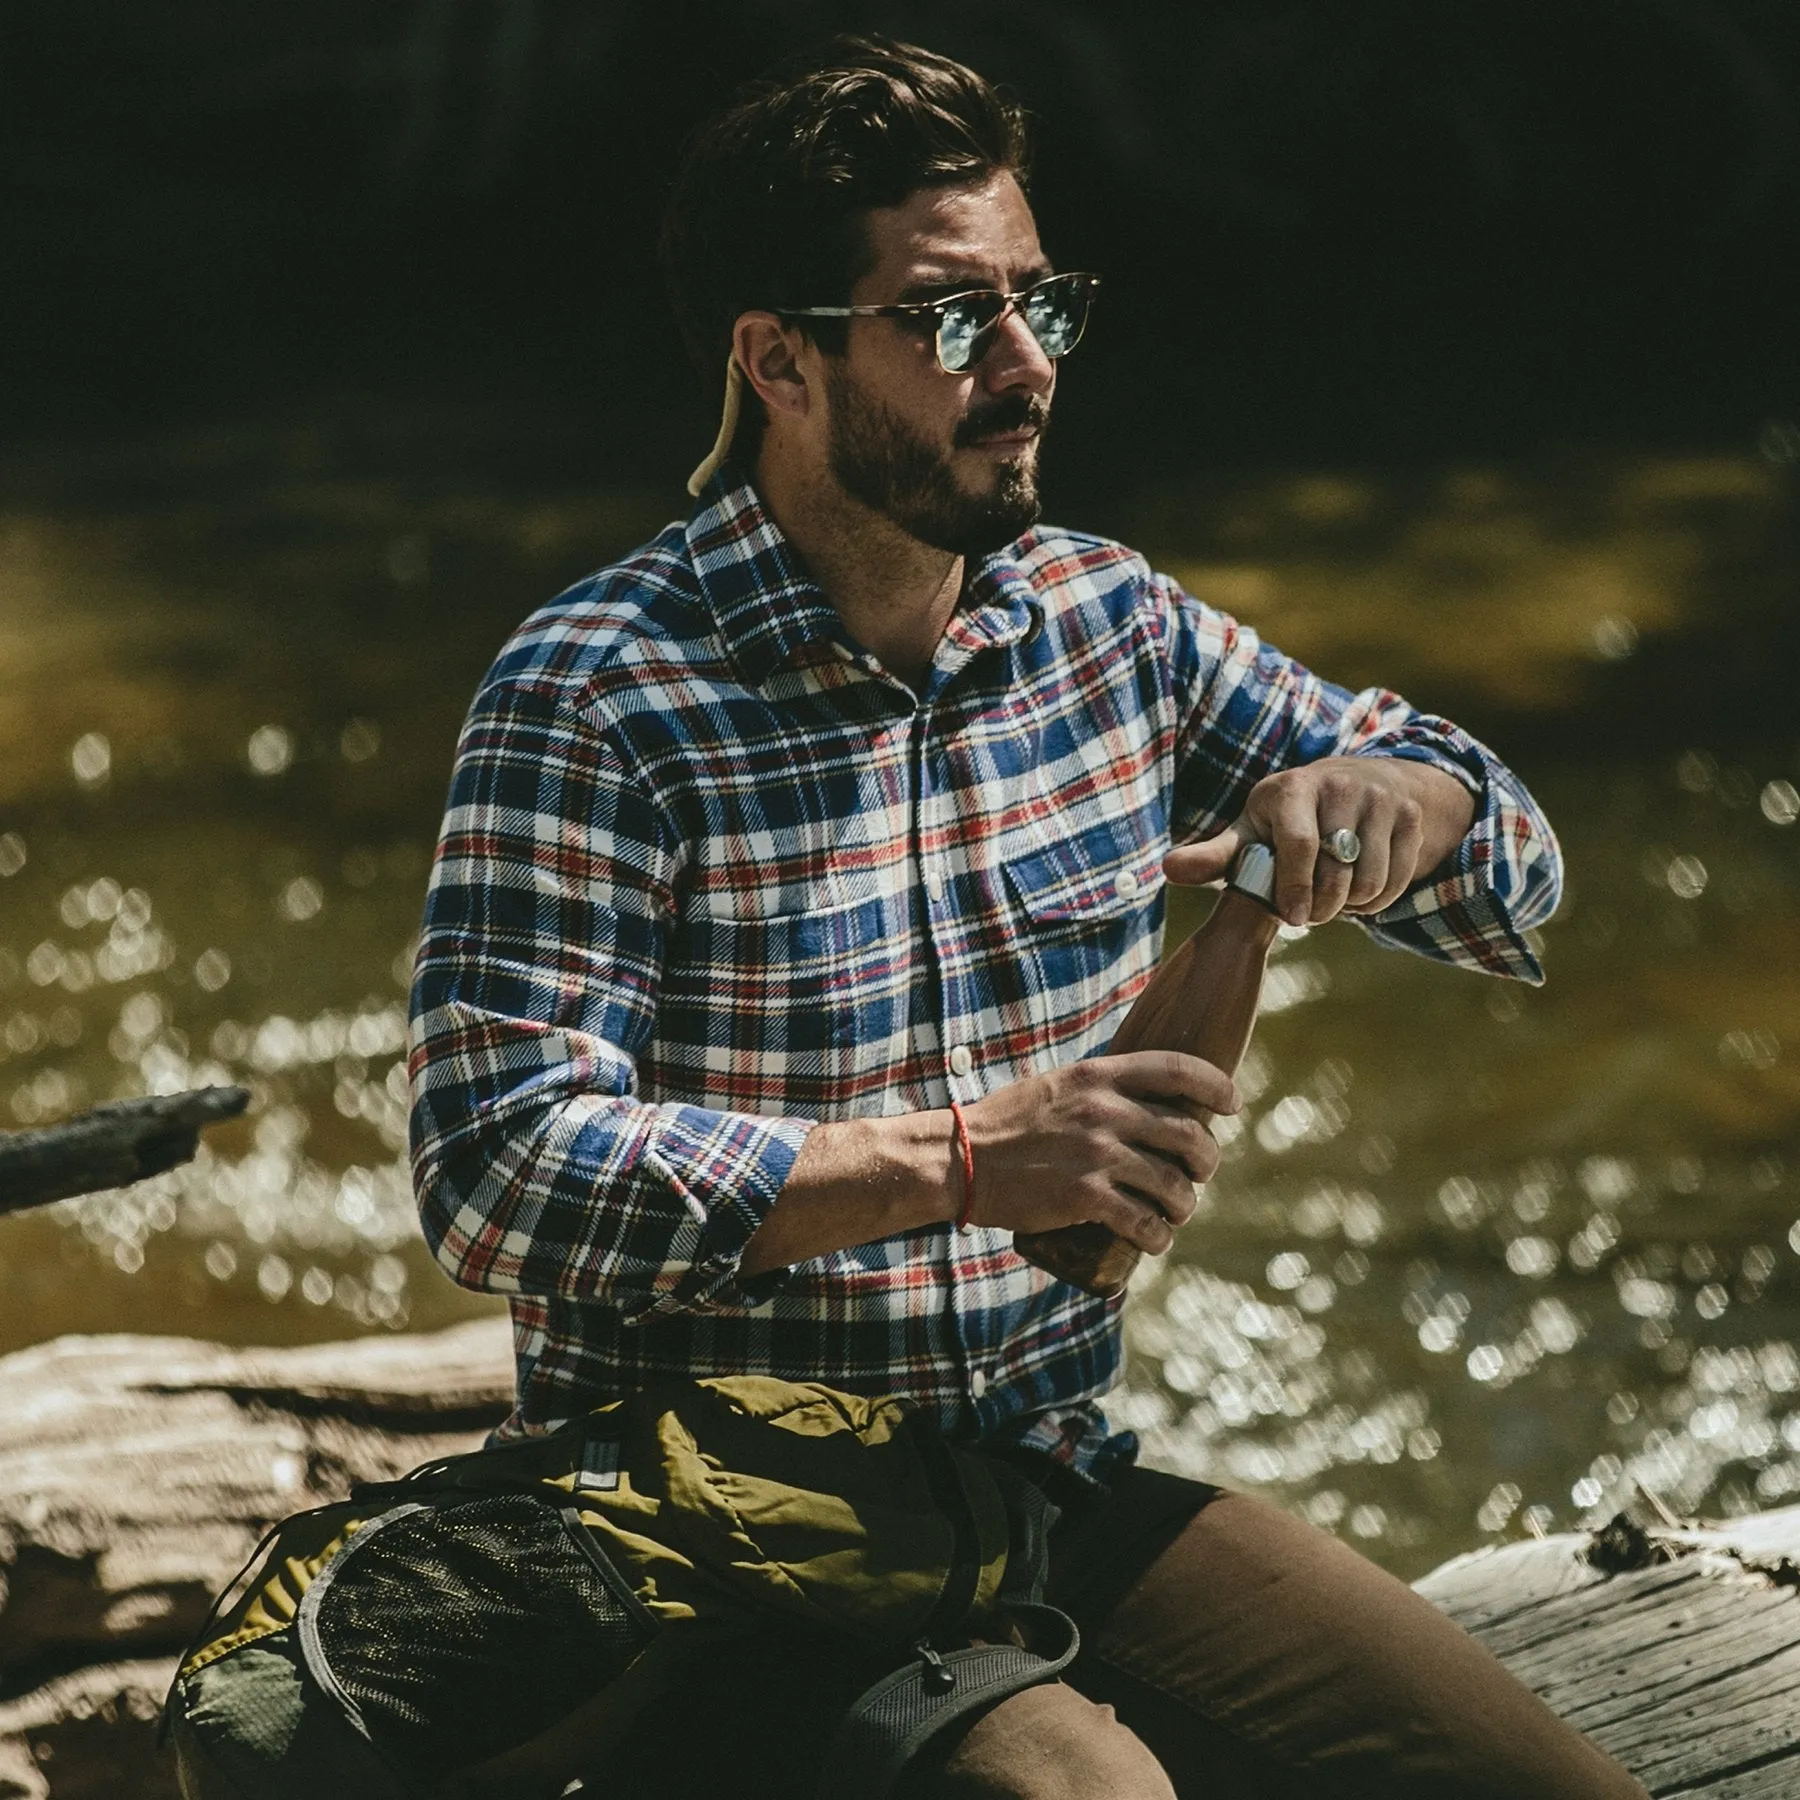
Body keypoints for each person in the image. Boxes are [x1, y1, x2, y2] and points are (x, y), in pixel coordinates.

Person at [409, 35, 1647, 1800]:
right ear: (782, 362)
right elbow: (495, 1171)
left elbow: (1512, 861)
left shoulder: (1105, 626)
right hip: (702, 1532)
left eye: (1038, 303)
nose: (1023, 366)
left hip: (1039, 1487)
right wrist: (970, 1164)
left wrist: (1401, 804)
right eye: (948, 318)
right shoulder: (597, 697)